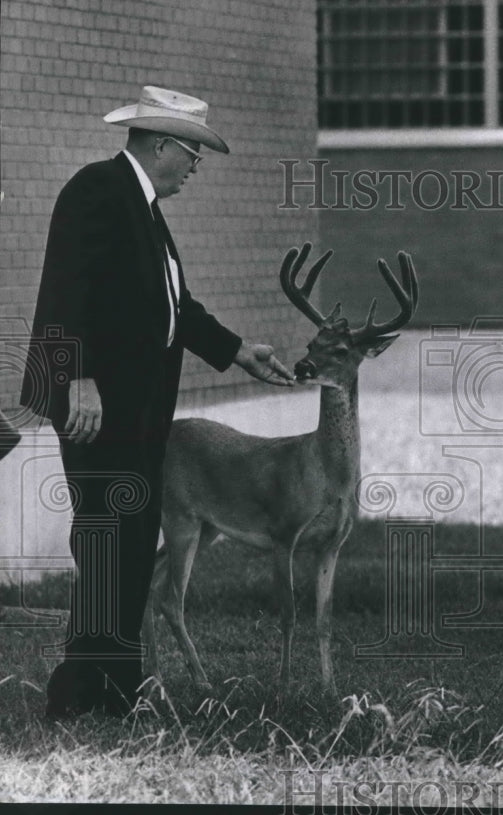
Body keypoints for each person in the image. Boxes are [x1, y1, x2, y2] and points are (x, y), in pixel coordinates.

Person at [19, 85, 295, 718]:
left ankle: (109, 689)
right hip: (94, 407)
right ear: (162, 144)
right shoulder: (97, 190)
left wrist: (235, 350)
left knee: (131, 542)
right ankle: (85, 692)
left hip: (139, 414)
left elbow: (178, 308)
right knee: (107, 541)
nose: (197, 165)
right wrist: (77, 377)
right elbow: (64, 288)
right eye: (194, 151)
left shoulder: (146, 213)